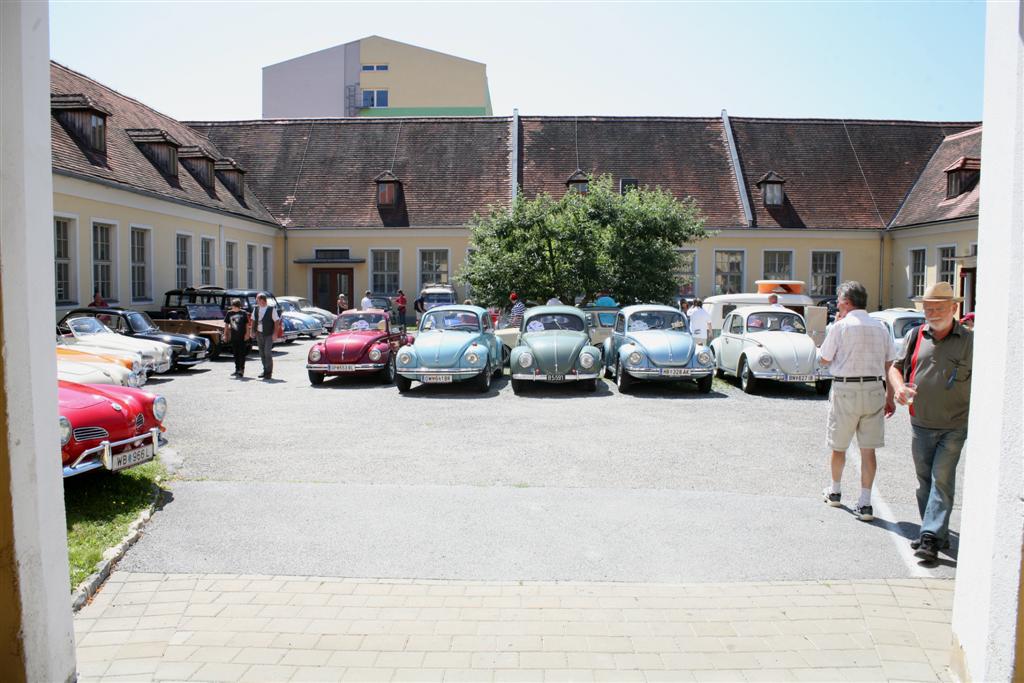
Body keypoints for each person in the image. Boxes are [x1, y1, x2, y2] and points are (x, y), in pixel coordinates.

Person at [888, 281, 973, 562]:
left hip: (955, 424)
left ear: (954, 307)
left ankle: (929, 538)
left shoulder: (971, 341)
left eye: (939, 308)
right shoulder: (915, 335)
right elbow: (895, 368)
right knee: (924, 481)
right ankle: (936, 532)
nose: (933, 313)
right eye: (928, 308)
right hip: (921, 422)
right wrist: (898, 388)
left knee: (941, 479)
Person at [818, 281, 897, 521]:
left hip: (846, 388)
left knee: (838, 445)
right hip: (874, 387)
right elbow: (890, 363)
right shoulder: (881, 327)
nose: (838, 304)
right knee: (868, 449)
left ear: (847, 302)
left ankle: (835, 490)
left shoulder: (840, 327)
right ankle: (864, 502)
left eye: (840, 300)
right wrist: (889, 396)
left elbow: (824, 358)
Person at [249, 292, 281, 380]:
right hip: (259, 333)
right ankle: (265, 370)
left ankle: (269, 372)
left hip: (268, 334)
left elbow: (276, 322)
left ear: (262, 300)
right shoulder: (256, 309)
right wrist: (252, 331)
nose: (257, 301)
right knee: (262, 353)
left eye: (258, 300)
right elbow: (253, 321)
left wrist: (275, 333)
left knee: (267, 352)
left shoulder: (271, 309)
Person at [222, 298, 251, 378]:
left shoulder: (243, 313)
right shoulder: (229, 313)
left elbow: (247, 325)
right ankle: (236, 369)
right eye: (232, 306)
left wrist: (247, 334)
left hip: (242, 337)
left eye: (235, 307)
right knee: (235, 354)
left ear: (239, 306)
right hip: (233, 337)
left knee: (242, 354)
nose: (233, 308)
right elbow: (226, 325)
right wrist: (225, 335)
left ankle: (241, 370)